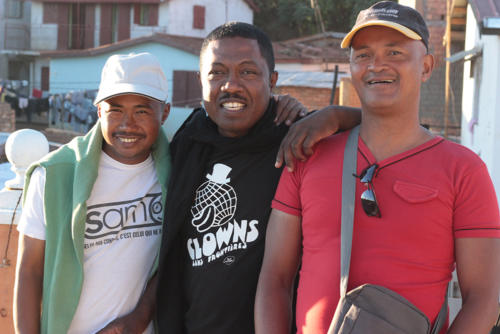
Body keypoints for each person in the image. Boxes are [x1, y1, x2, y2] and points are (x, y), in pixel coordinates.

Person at [255, 2, 500, 334]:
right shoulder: (307, 155)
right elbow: (275, 278)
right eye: (363, 54)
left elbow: (483, 297)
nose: (376, 65)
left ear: (427, 66)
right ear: (351, 66)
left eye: (395, 53)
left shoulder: (464, 170)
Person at [155, 22, 361, 334]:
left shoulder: (299, 140)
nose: (231, 85)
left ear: (272, 80)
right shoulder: (187, 143)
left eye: (248, 72)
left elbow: (389, 132)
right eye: (217, 72)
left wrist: (336, 115)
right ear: (200, 80)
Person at [14, 52, 171, 334]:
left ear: (165, 113)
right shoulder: (54, 175)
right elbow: (29, 271)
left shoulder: (179, 172)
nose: (128, 124)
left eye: (143, 110)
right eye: (115, 109)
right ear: (99, 111)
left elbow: (175, 258)